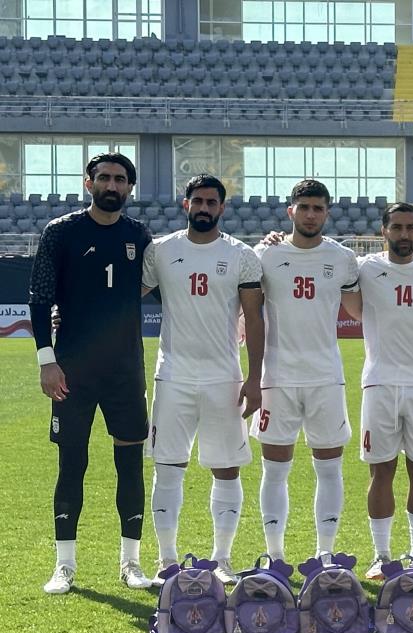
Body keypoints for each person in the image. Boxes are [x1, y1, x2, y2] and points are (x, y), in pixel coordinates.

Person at [30, 152, 154, 594]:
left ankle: (131, 562)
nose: (112, 185)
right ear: (89, 183)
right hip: (72, 371)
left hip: (125, 370)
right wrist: (47, 359)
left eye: (120, 179)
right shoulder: (61, 231)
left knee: (130, 465)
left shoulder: (139, 235)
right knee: (72, 463)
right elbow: (40, 298)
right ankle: (64, 565)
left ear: (130, 188)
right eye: (104, 177)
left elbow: (163, 277)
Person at [140, 174, 263, 586]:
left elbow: (254, 318)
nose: (204, 208)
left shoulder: (241, 255)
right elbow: (124, 298)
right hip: (173, 376)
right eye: (198, 201)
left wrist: (255, 377)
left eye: (212, 202)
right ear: (186, 204)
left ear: (222, 208)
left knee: (227, 469)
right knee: (167, 467)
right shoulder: (161, 250)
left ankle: (222, 559)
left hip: (224, 378)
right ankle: (167, 559)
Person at [251, 179, 359, 563]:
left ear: (327, 213)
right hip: (277, 377)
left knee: (329, 469)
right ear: (290, 211)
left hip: (325, 377)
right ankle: (275, 557)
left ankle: (324, 555)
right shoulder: (265, 255)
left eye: (318, 208)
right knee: (274, 470)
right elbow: (245, 309)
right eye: (304, 207)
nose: (311, 215)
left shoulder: (343, 259)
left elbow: (365, 308)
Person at [340, 203, 413, 579]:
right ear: (383, 231)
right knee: (380, 472)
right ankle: (382, 556)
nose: (404, 234)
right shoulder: (364, 268)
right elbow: (353, 307)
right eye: (396, 227)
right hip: (379, 383)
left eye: (410, 228)